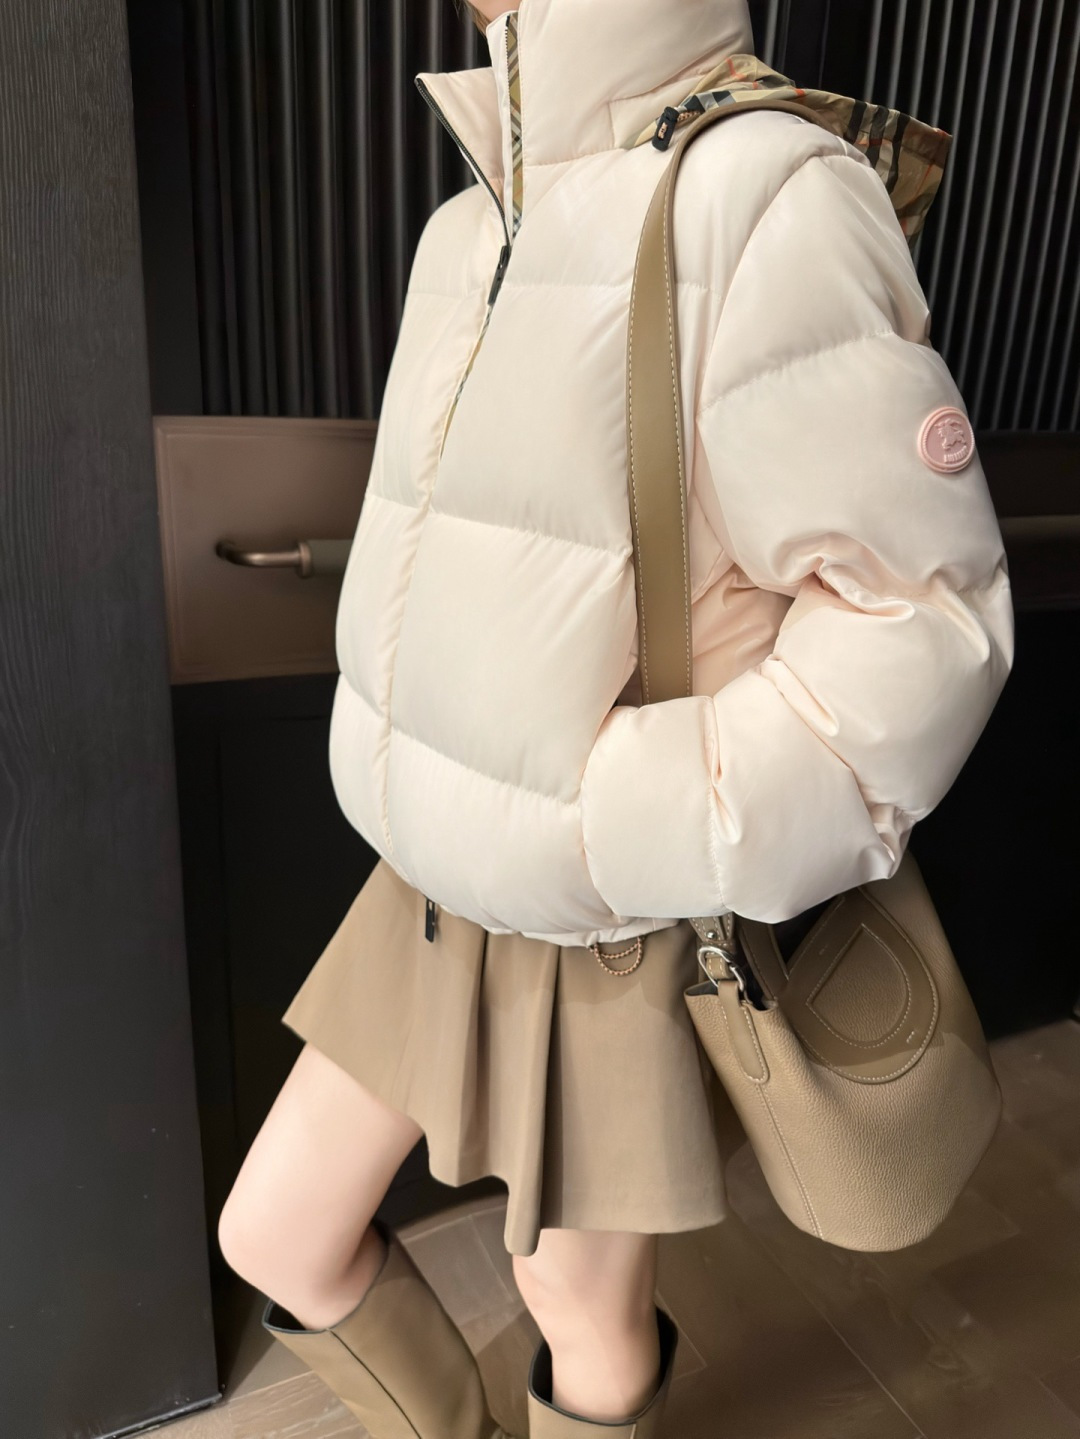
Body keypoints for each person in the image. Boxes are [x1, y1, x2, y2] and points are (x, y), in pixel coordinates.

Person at [216, 0, 1014, 1434]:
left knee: (577, 1307)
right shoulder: (470, 225)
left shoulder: (767, 190)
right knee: (277, 1231)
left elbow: (920, 614)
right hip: (432, 874)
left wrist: (632, 817)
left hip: (602, 904)